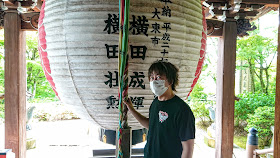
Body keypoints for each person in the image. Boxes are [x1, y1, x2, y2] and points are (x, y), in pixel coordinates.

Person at [123, 60, 195, 158]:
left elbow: (188, 148)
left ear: (170, 81)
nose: (154, 81)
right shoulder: (155, 103)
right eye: (152, 78)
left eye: (158, 77)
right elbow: (151, 125)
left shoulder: (182, 110)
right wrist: (131, 109)